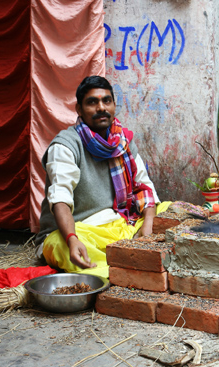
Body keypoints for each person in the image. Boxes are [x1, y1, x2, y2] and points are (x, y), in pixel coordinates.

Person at [35, 76, 169, 280]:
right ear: (78, 109)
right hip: (83, 231)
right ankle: (124, 273)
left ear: (114, 105)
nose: (101, 108)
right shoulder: (65, 145)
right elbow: (60, 198)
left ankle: (127, 257)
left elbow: (144, 188)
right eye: (92, 102)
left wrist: (147, 229)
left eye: (106, 101)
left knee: (171, 211)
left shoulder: (123, 141)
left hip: (123, 224)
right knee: (59, 245)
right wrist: (72, 239)